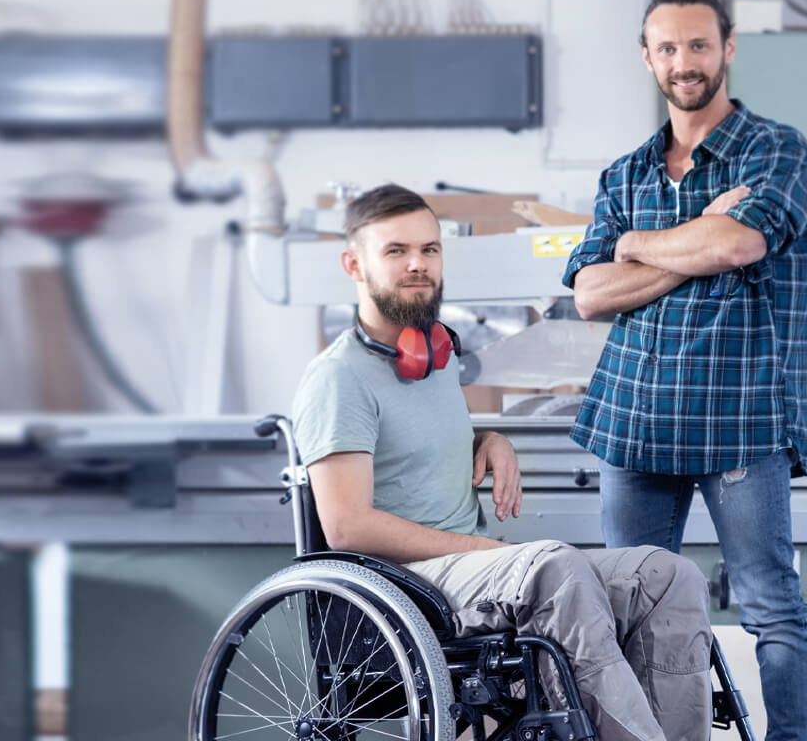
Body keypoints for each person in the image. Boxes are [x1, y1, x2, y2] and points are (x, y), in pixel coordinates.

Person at [293, 184, 714, 741]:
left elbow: (406, 453)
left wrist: (488, 439)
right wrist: (485, 549)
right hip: (405, 587)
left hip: (470, 576)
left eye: (430, 249)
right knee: (551, 567)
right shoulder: (338, 378)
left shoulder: (433, 359)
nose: (419, 264)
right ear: (354, 264)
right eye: (396, 251)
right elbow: (348, 525)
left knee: (666, 574)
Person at [560, 0, 807, 741]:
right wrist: (696, 235)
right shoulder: (626, 174)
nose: (684, 63)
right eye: (668, 49)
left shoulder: (775, 151)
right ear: (648, 59)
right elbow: (589, 295)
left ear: (728, 49)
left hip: (739, 417)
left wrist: (639, 243)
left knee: (770, 604)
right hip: (636, 422)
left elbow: (740, 246)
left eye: (698, 46)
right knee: (627, 609)